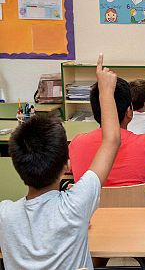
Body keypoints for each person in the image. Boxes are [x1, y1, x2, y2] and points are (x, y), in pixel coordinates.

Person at [0, 54, 121, 269]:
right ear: (66, 164)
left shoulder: (5, 215)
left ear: (16, 165)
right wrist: (105, 91)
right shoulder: (76, 205)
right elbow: (111, 139)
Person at [69, 75, 145, 186]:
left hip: (91, 210)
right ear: (129, 112)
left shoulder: (77, 144)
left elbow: (65, 168)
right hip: (136, 209)